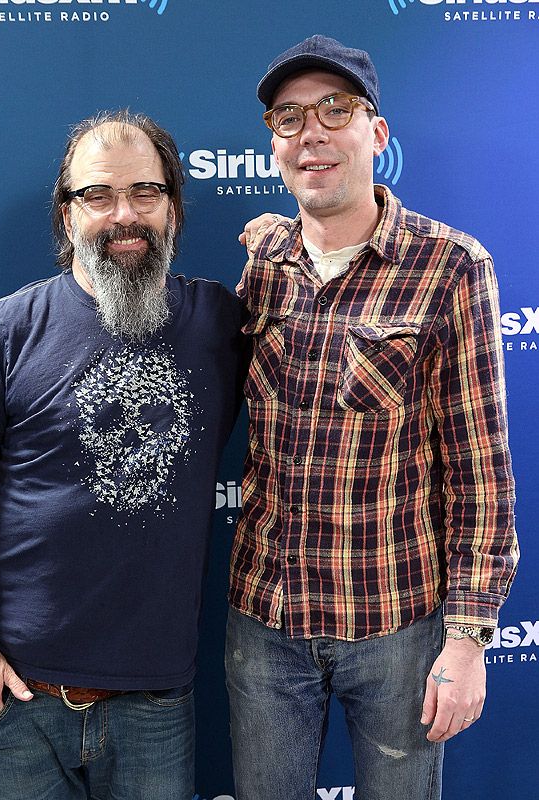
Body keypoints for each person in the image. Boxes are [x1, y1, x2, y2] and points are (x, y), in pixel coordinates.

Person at [226, 35, 518, 800]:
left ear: (376, 134)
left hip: (395, 626)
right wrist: (268, 236)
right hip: (264, 620)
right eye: (287, 118)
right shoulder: (263, 263)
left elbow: (480, 471)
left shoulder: (451, 266)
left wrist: (467, 640)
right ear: (273, 144)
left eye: (335, 109)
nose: (310, 133)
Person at [0, 109, 244, 800]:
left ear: (172, 207)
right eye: (97, 195)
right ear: (66, 214)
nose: (122, 214)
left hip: (156, 703)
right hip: (16, 698)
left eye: (145, 192)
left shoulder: (221, 325)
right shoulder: (9, 329)